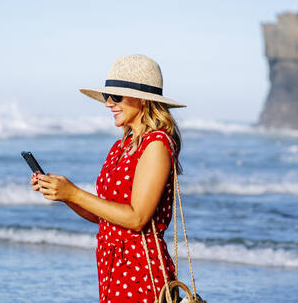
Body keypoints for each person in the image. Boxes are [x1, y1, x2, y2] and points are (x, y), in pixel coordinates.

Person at [29, 54, 186, 303]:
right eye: (106, 96)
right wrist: (63, 195)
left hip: (140, 271)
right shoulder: (120, 147)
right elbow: (104, 216)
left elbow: (137, 218)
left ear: (143, 99)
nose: (108, 103)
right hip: (112, 266)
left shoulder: (157, 144)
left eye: (117, 97)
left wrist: (74, 193)